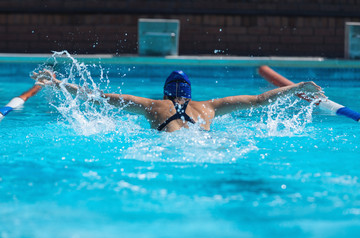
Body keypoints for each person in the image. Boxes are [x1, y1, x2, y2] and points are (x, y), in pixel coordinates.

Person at [31, 70, 322, 132]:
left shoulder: (151, 106)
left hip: (165, 151)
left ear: (165, 93)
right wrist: (299, 85)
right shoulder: (210, 106)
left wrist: (56, 83)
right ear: (190, 93)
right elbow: (259, 100)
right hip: (210, 150)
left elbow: (97, 98)